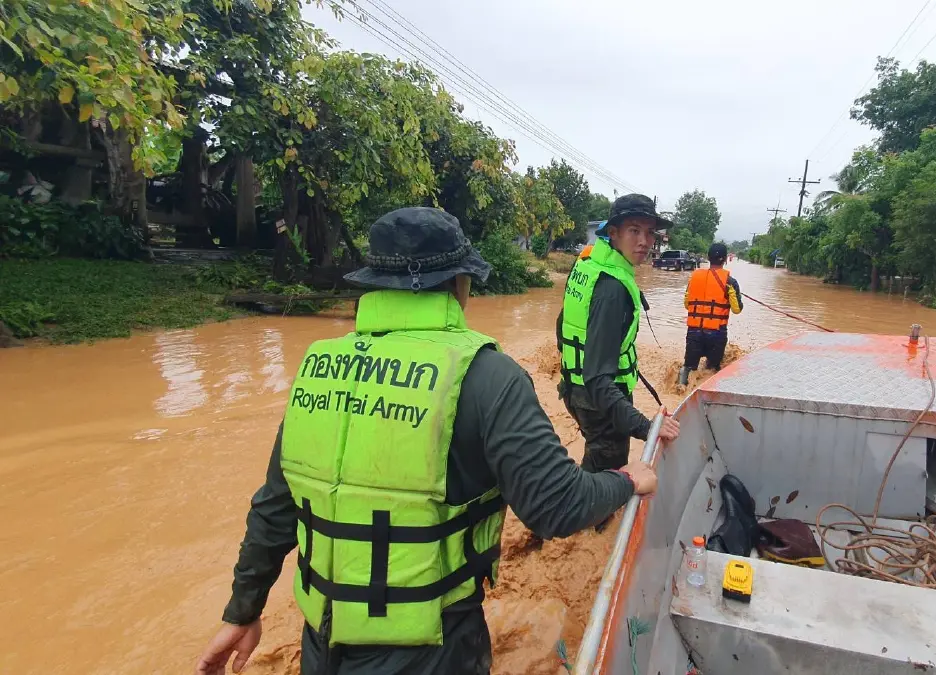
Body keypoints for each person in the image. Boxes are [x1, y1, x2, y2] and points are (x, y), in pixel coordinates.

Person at [195, 207, 659, 675]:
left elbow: (276, 505)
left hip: (321, 646)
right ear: (460, 284)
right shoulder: (487, 375)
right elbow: (558, 506)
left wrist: (243, 611)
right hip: (433, 651)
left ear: (373, 283)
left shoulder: (318, 368)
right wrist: (626, 478)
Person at [556, 194, 682, 487]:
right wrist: (649, 428)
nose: (645, 241)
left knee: (596, 457)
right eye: (634, 230)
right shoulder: (613, 289)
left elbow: (562, 324)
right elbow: (599, 381)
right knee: (606, 478)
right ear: (613, 233)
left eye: (650, 232)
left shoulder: (590, 262)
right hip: (597, 400)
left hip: (574, 389)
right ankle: (587, 523)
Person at [679, 242, 743, 386]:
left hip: (694, 332)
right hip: (716, 334)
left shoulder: (694, 278)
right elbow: (737, 309)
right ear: (725, 259)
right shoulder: (730, 282)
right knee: (712, 371)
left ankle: (679, 390)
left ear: (708, 258)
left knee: (688, 368)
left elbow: (687, 304)